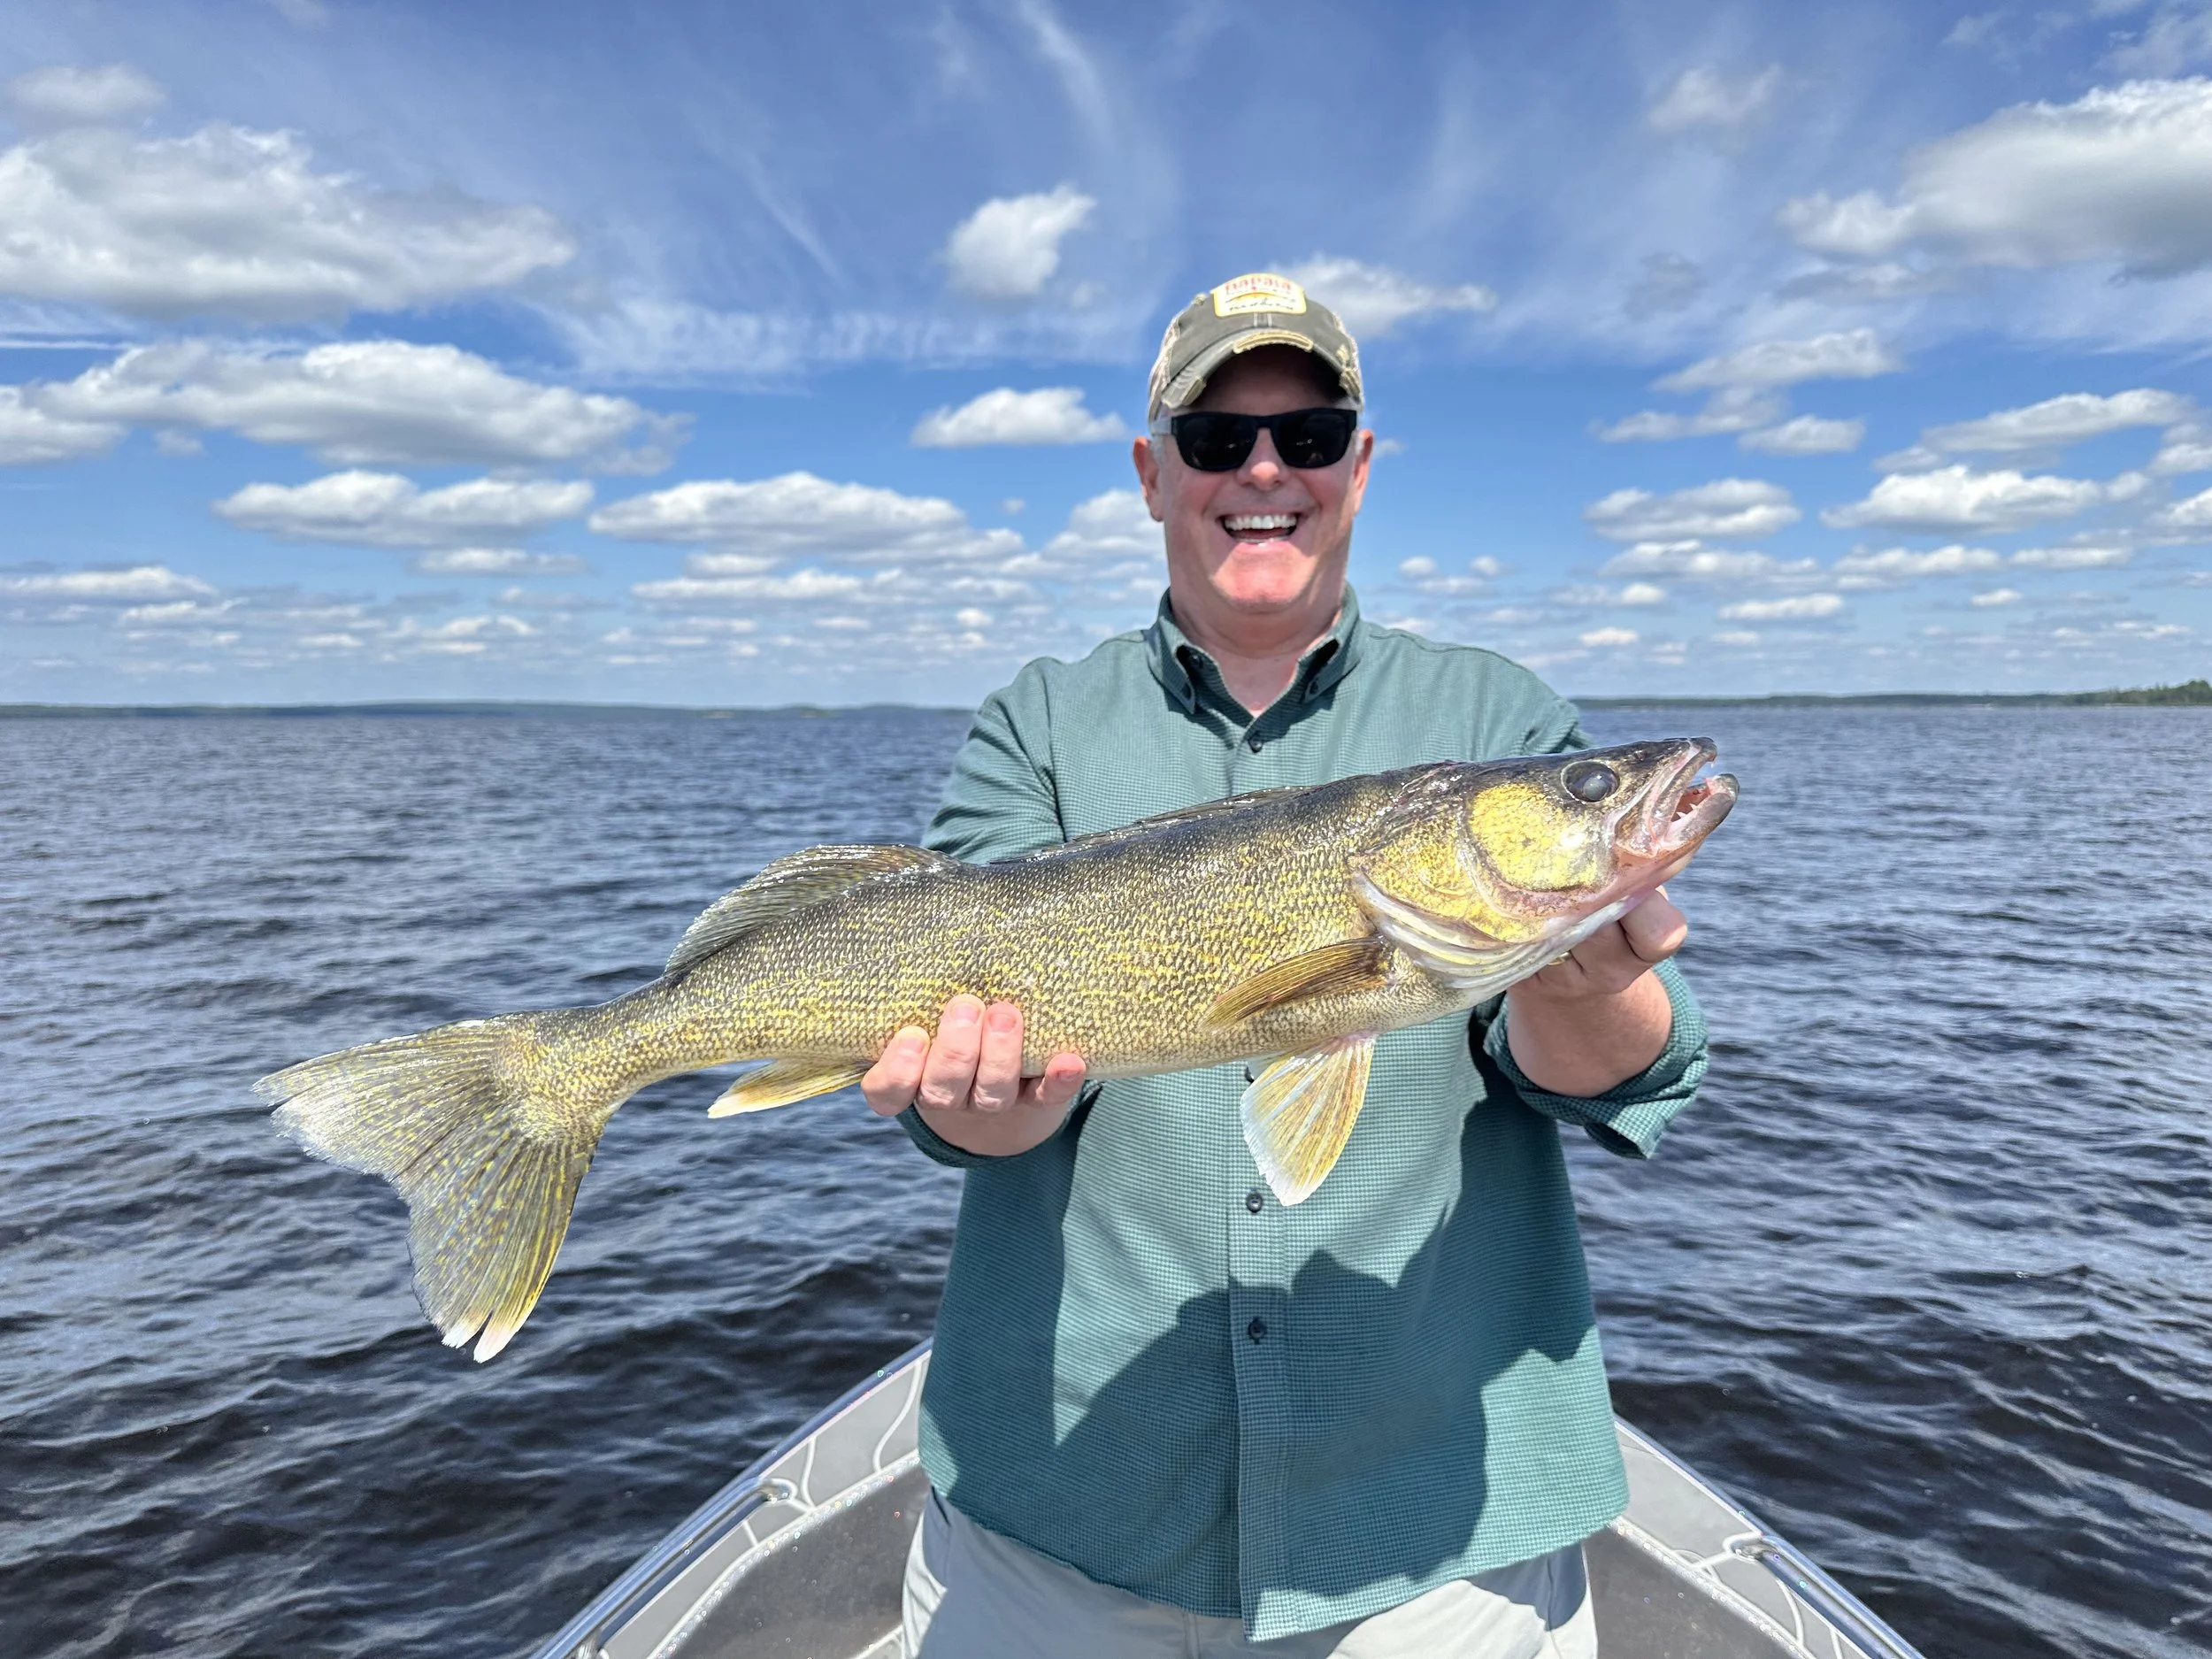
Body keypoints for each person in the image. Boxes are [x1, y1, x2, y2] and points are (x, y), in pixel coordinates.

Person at [862, 272, 1709, 1657]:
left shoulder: (1496, 712)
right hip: (1065, 1520)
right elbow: (994, 1118)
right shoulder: (1038, 723)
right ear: (1153, 475)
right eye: (1217, 440)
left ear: (1359, 468)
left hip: (1431, 1542)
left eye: (1310, 436)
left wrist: (1583, 976)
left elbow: (1604, 1075)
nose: (1267, 470)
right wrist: (972, 1099)